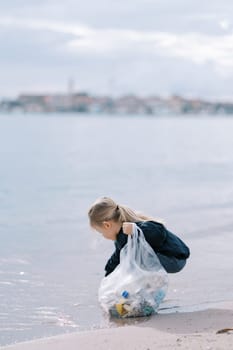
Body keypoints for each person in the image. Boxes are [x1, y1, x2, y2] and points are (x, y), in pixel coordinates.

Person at [88, 197, 190, 277]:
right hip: (167, 258)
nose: (103, 236)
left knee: (131, 259)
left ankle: (148, 286)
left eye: (101, 232)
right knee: (126, 257)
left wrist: (135, 229)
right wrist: (108, 275)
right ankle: (146, 288)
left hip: (175, 258)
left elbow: (159, 230)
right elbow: (117, 257)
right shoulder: (121, 239)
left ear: (107, 225)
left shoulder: (132, 227)